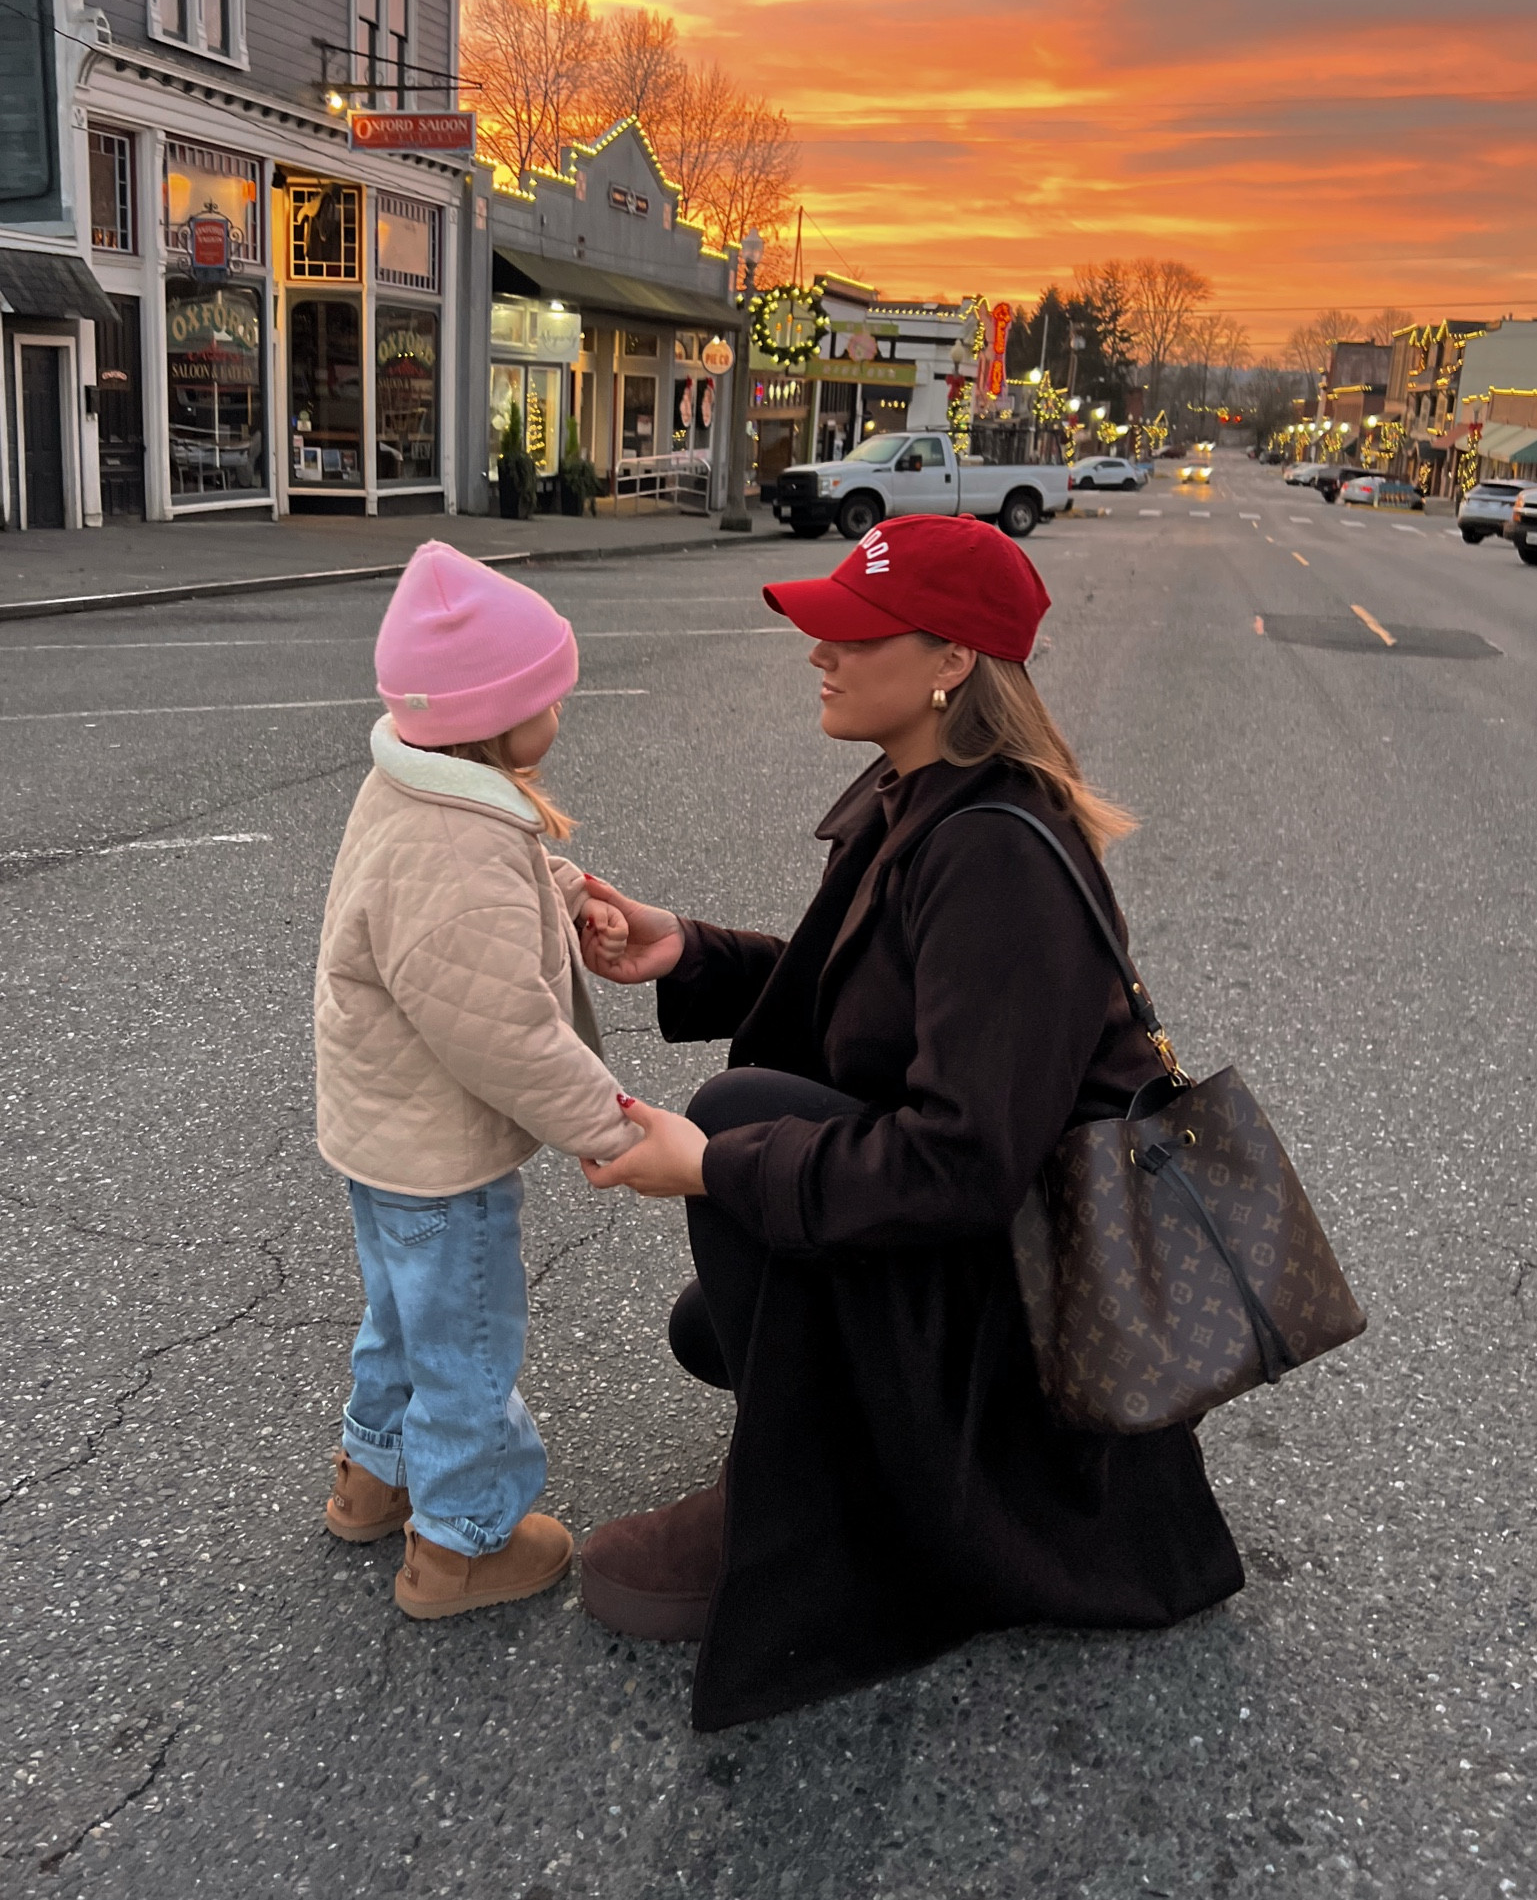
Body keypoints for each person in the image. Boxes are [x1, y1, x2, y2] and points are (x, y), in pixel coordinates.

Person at [575, 515, 1245, 1731]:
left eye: (849, 631)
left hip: (1026, 1290)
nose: (816, 651)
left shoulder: (998, 854)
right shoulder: (926, 795)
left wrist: (717, 1168)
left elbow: (963, 1164)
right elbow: (879, 995)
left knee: (738, 1116)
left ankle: (807, 1503)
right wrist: (690, 951)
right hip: (976, 1248)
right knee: (709, 1330)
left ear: (950, 664)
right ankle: (849, 1426)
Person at [314, 542, 639, 1619]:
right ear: (494, 713)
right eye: (546, 689)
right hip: (440, 1154)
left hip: (385, 1135)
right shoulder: (459, 840)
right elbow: (501, 1030)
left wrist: (557, 884)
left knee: (403, 1322)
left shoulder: (417, 788)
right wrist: (611, 1123)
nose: (561, 702)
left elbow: (447, 908)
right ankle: (462, 1541)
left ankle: (375, 1477)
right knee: (466, 1338)